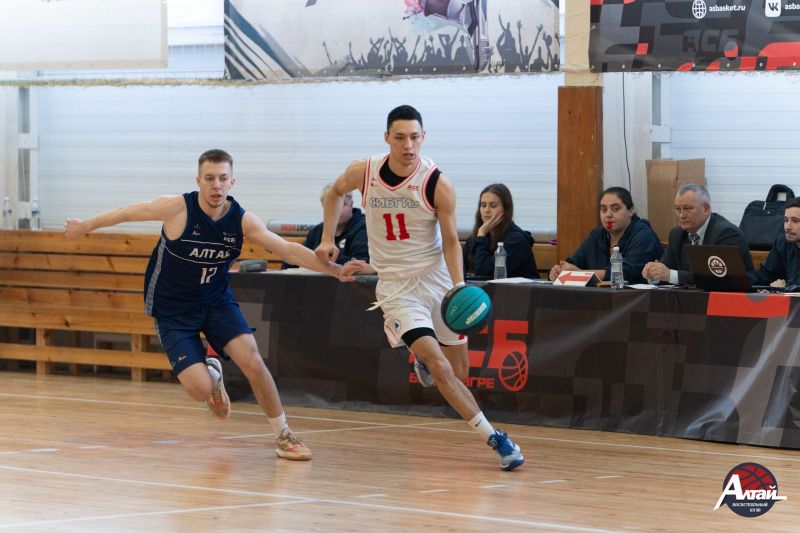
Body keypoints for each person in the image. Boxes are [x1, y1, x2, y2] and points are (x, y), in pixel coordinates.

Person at [64, 149, 352, 462]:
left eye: (223, 178)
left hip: (215, 301)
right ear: (198, 180)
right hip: (172, 309)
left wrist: (337, 271)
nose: (217, 185)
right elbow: (125, 213)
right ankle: (213, 375)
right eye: (210, 178)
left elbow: (289, 251)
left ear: (232, 182)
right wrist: (84, 226)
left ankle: (284, 435)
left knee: (253, 360)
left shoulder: (241, 220)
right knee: (199, 390)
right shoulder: (176, 208)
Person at [314, 105, 524, 471]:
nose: (408, 145)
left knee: (458, 372)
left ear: (423, 137)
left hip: (435, 277)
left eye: (414, 137)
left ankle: (424, 357)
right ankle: (497, 439)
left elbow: (452, 242)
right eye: (400, 137)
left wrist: (458, 287)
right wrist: (328, 237)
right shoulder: (363, 171)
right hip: (397, 288)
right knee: (440, 367)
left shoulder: (437, 183)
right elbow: (333, 193)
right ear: (387, 138)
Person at [642, 183, 753, 285]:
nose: (681, 215)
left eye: (687, 208)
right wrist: (654, 274)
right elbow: (665, 270)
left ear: (706, 209)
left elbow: (720, 278)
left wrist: (671, 275)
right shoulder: (677, 234)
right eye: (678, 209)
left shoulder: (727, 234)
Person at [549, 187, 662, 284]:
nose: (608, 215)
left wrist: (580, 273)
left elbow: (627, 273)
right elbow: (575, 262)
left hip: (639, 298)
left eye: (615, 209)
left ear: (631, 210)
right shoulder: (597, 235)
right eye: (603, 209)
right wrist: (559, 271)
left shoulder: (644, 235)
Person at [282, 183, 369, 269]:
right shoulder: (316, 231)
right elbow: (294, 260)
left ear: (351, 204)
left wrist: (319, 258)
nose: (337, 210)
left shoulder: (364, 227)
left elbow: (360, 263)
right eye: (331, 206)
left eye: (343, 204)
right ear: (323, 206)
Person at [463, 183, 538, 279]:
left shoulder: (516, 240)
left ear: (505, 210)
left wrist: (482, 234)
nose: (486, 210)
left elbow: (485, 273)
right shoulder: (477, 238)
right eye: (483, 205)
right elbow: (458, 265)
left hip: (517, 289)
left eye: (493, 206)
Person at [748, 197, 800, 288]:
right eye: (786, 220)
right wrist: (738, 280)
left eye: (795, 221)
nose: (787, 227)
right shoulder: (782, 242)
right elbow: (765, 275)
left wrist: (786, 287)